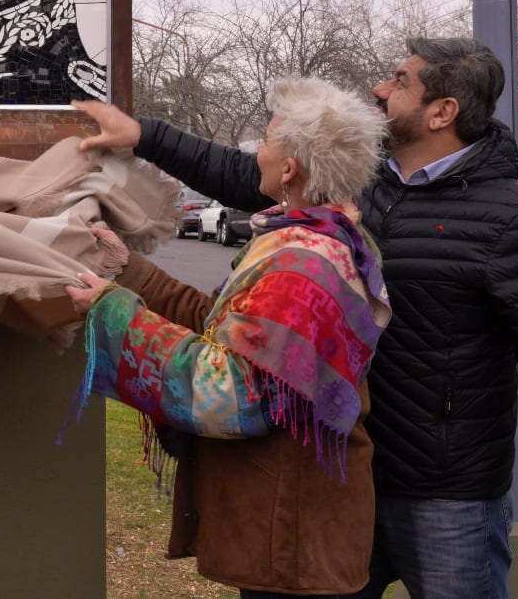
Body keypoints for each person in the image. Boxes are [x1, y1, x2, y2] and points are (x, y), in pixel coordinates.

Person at [78, 36, 518, 599]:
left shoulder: (511, 220)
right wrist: (145, 136)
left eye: (400, 81)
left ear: (443, 111)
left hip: (447, 498)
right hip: (340, 475)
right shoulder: (353, 189)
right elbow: (252, 172)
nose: (380, 88)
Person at [69, 77, 392, 597]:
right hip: (296, 523)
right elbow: (229, 329)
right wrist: (128, 270)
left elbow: (234, 392)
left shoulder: (302, 266)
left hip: (291, 537)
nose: (255, 151)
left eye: (265, 140)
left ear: (289, 169)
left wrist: (115, 313)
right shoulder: (322, 239)